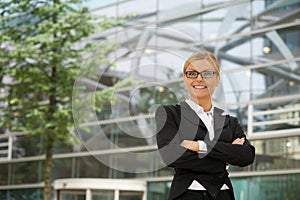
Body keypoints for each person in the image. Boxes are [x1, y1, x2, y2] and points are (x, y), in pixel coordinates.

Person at [155, 50, 255, 200]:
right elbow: (171, 156)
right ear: (185, 78)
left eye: (207, 74)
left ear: (217, 79)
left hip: (225, 195)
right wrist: (226, 157)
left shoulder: (230, 122)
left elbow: (247, 156)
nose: (199, 79)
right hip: (188, 195)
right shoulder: (170, 114)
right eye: (192, 73)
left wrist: (201, 146)